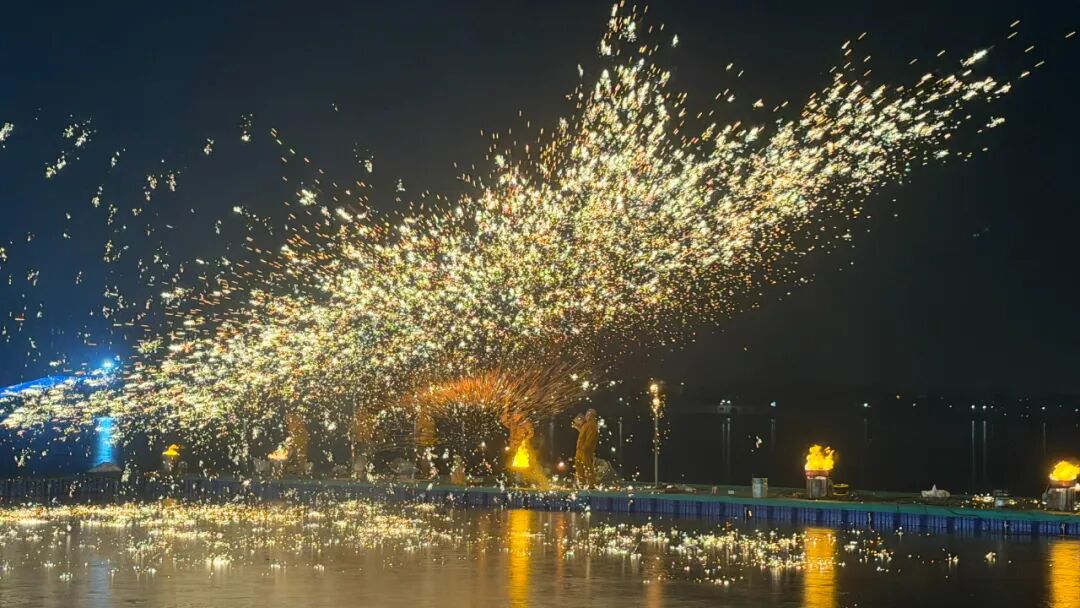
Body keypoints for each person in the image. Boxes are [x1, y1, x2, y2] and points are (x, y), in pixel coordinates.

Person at [574, 409, 599, 488]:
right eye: (586, 414)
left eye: (588, 415)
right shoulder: (586, 425)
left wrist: (585, 448)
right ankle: (582, 483)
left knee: (588, 466)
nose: (586, 416)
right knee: (579, 466)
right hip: (580, 449)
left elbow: (590, 438)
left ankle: (592, 483)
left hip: (585, 450)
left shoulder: (592, 425)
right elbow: (583, 433)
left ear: (592, 416)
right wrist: (577, 427)